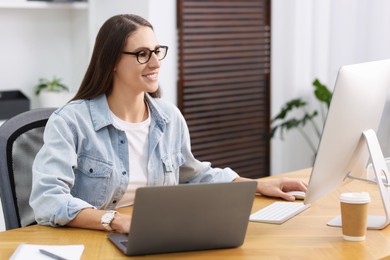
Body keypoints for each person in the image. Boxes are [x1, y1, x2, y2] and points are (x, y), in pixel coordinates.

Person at [29, 14, 307, 234]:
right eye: (141, 54)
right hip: (94, 239)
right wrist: (116, 221)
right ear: (112, 61)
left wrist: (257, 185)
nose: (154, 62)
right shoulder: (70, 122)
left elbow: (193, 175)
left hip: (158, 234)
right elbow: (48, 200)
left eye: (157, 51)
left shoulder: (168, 117)